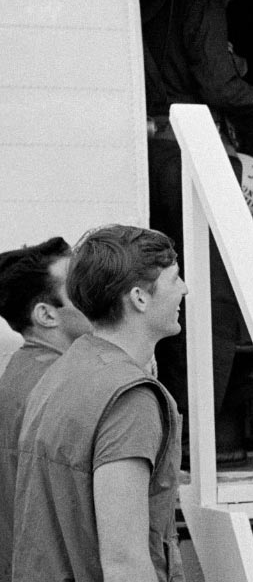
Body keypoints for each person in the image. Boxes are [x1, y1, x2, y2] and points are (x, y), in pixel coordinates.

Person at [143, 0, 253, 464]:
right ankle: (195, 434)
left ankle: (176, 423)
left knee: (170, 290)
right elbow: (217, 84)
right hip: (193, 152)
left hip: (155, 151)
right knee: (215, 298)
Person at [12, 225, 186, 582]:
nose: (184, 289)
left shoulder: (61, 372)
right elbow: (126, 564)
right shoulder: (128, 398)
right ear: (139, 297)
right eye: (174, 279)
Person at [0, 237, 94, 582]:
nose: (96, 292)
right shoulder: (64, 386)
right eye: (80, 288)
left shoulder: (17, 374)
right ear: (46, 315)